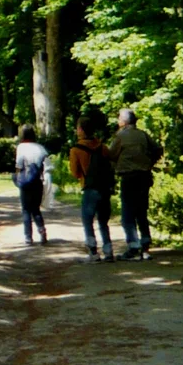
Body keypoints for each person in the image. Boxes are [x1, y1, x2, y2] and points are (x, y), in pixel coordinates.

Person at [107, 108, 156, 260]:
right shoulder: (143, 135)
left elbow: (111, 154)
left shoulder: (121, 136)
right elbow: (157, 149)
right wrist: (148, 163)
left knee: (127, 213)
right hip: (144, 176)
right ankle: (146, 245)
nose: (117, 121)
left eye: (119, 118)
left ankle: (133, 246)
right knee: (141, 211)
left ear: (124, 121)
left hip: (129, 177)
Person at [68, 110, 115, 262]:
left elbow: (75, 173)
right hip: (104, 188)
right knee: (103, 221)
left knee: (88, 220)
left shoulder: (76, 150)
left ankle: (93, 252)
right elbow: (111, 162)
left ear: (81, 130)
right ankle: (108, 250)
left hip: (89, 188)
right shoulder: (103, 147)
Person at [14, 126, 49, 245]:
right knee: (36, 209)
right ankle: (42, 230)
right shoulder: (41, 148)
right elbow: (46, 164)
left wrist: (17, 177)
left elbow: (19, 164)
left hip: (26, 181)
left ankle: (28, 237)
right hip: (37, 181)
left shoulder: (21, 147)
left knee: (26, 210)